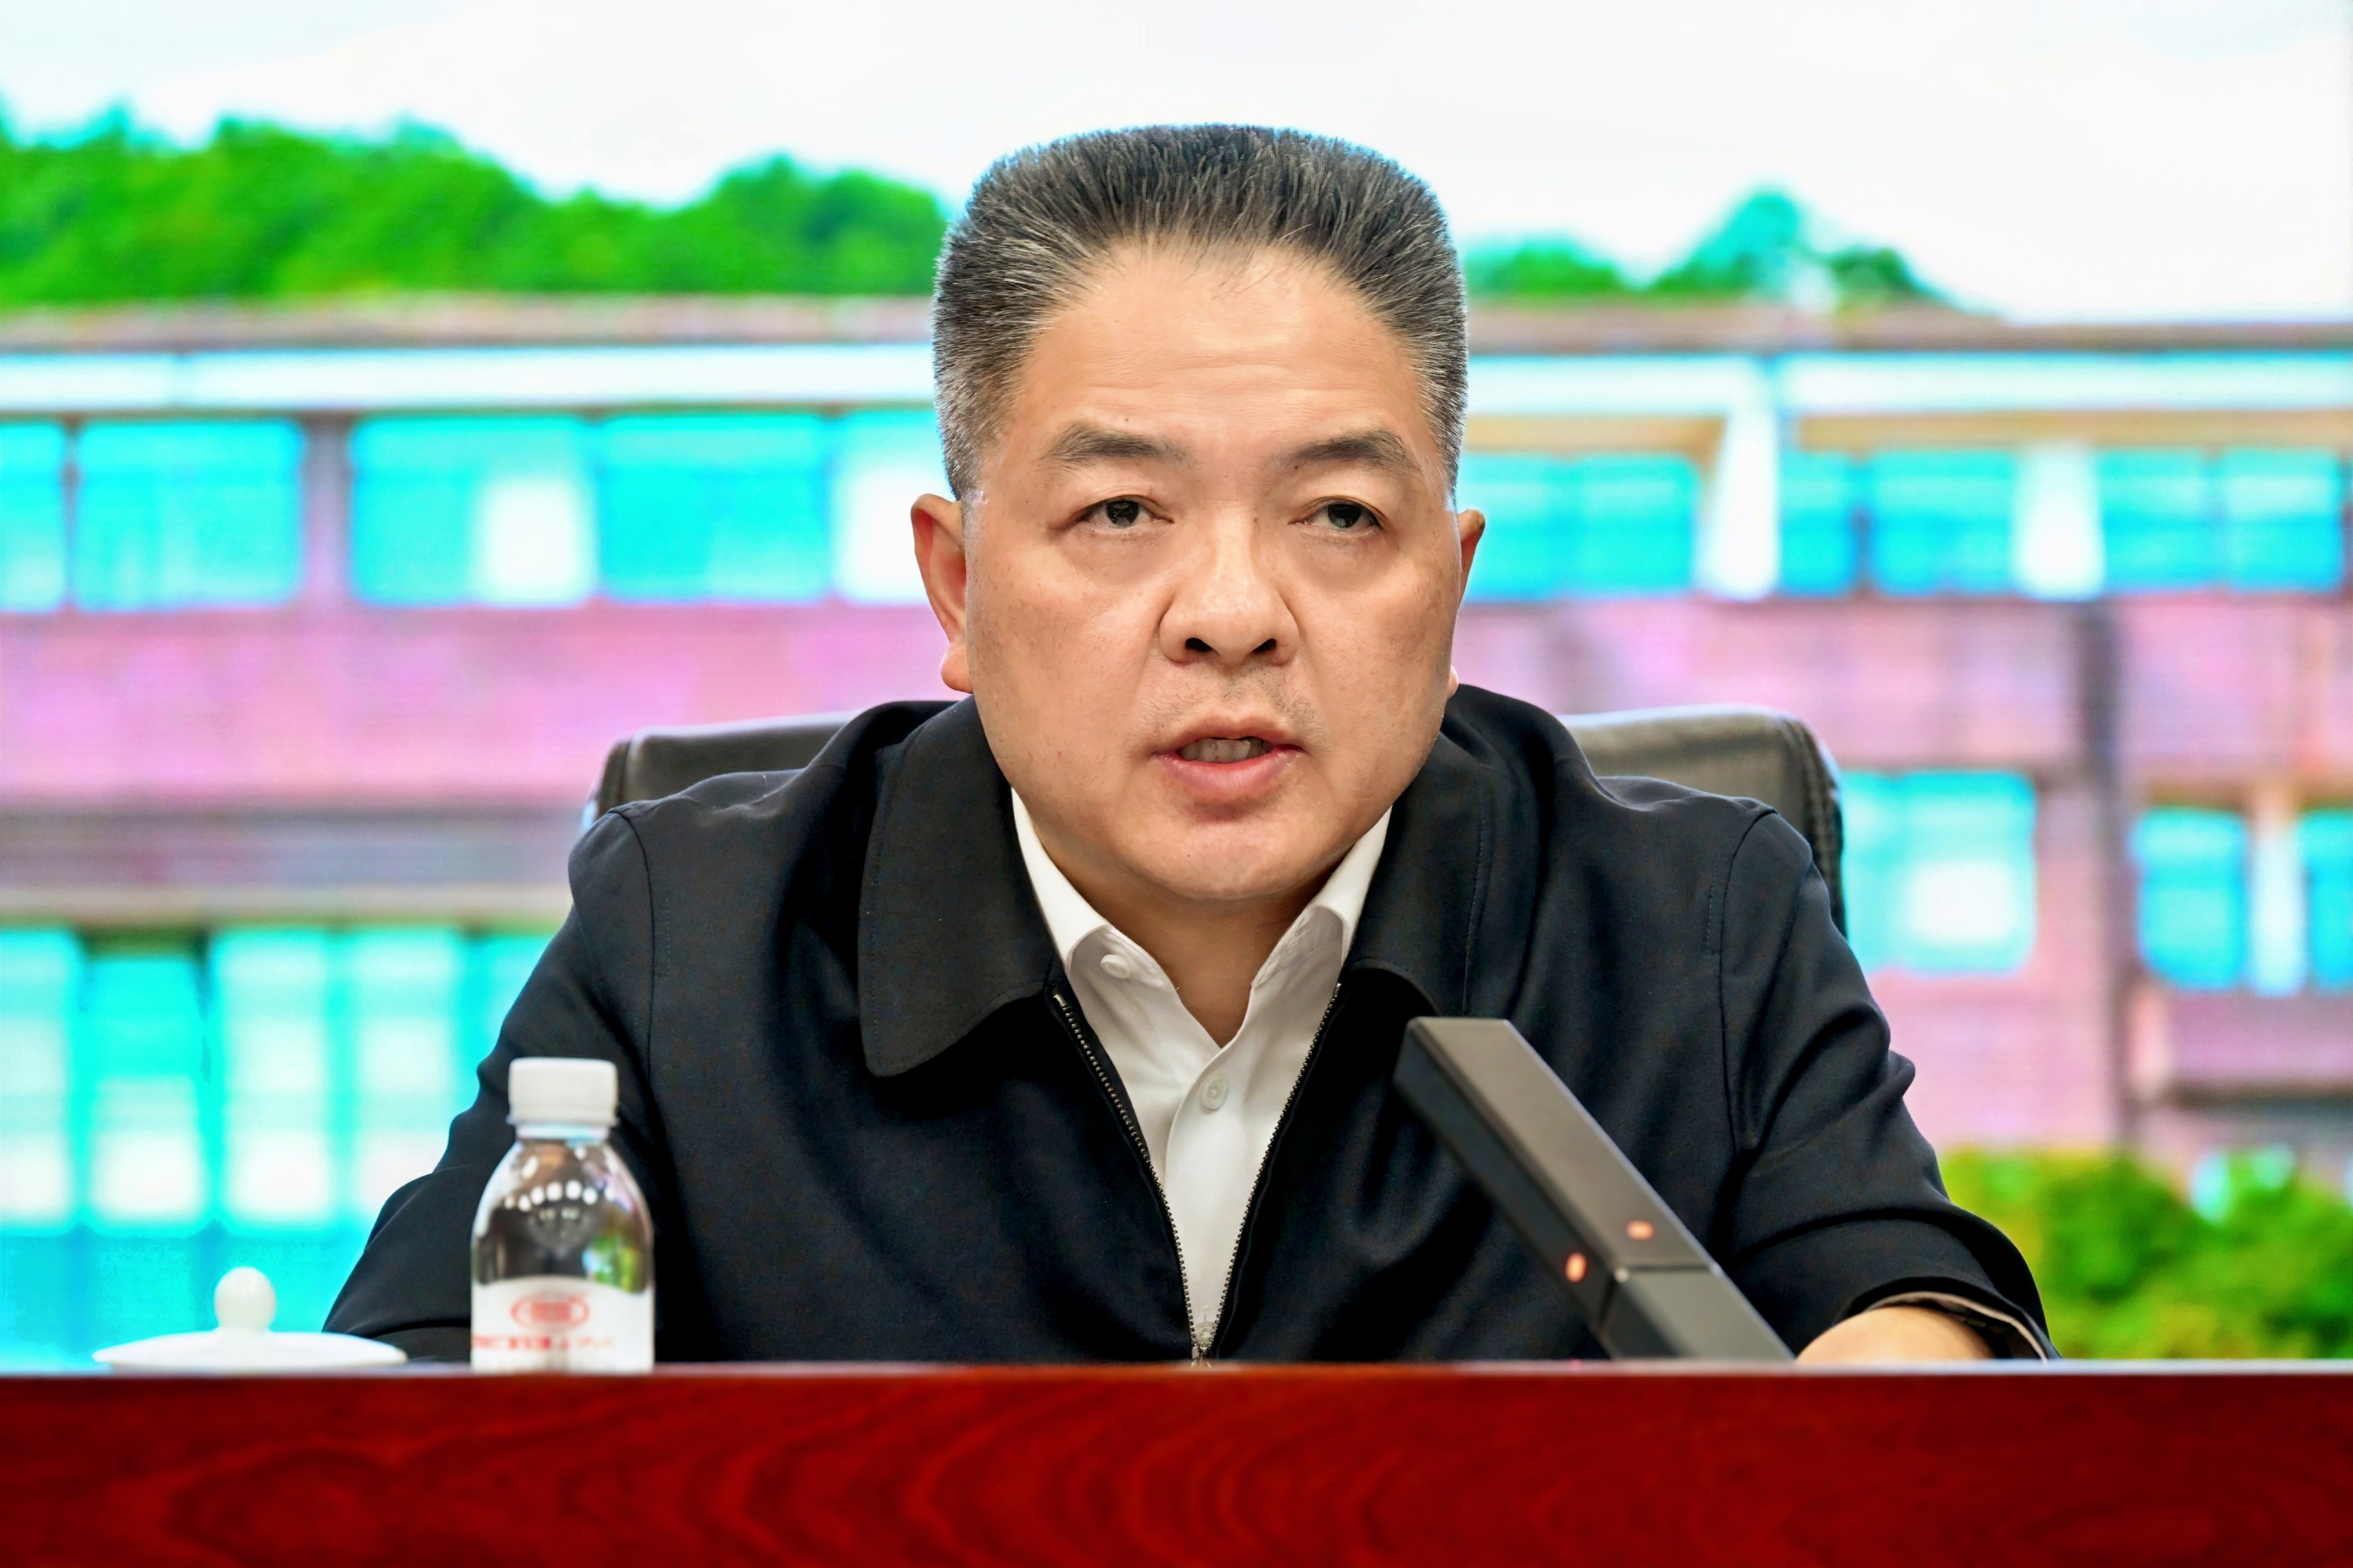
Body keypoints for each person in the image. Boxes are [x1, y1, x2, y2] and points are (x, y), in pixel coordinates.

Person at [329, 125, 2048, 1364]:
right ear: (956, 584)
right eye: (1123, 511)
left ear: (1449, 587)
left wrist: (1889, 1387)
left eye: (1340, 514)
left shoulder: (1695, 915)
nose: (1233, 613)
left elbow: (1906, 1310)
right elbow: (401, 1419)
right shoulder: (694, 932)